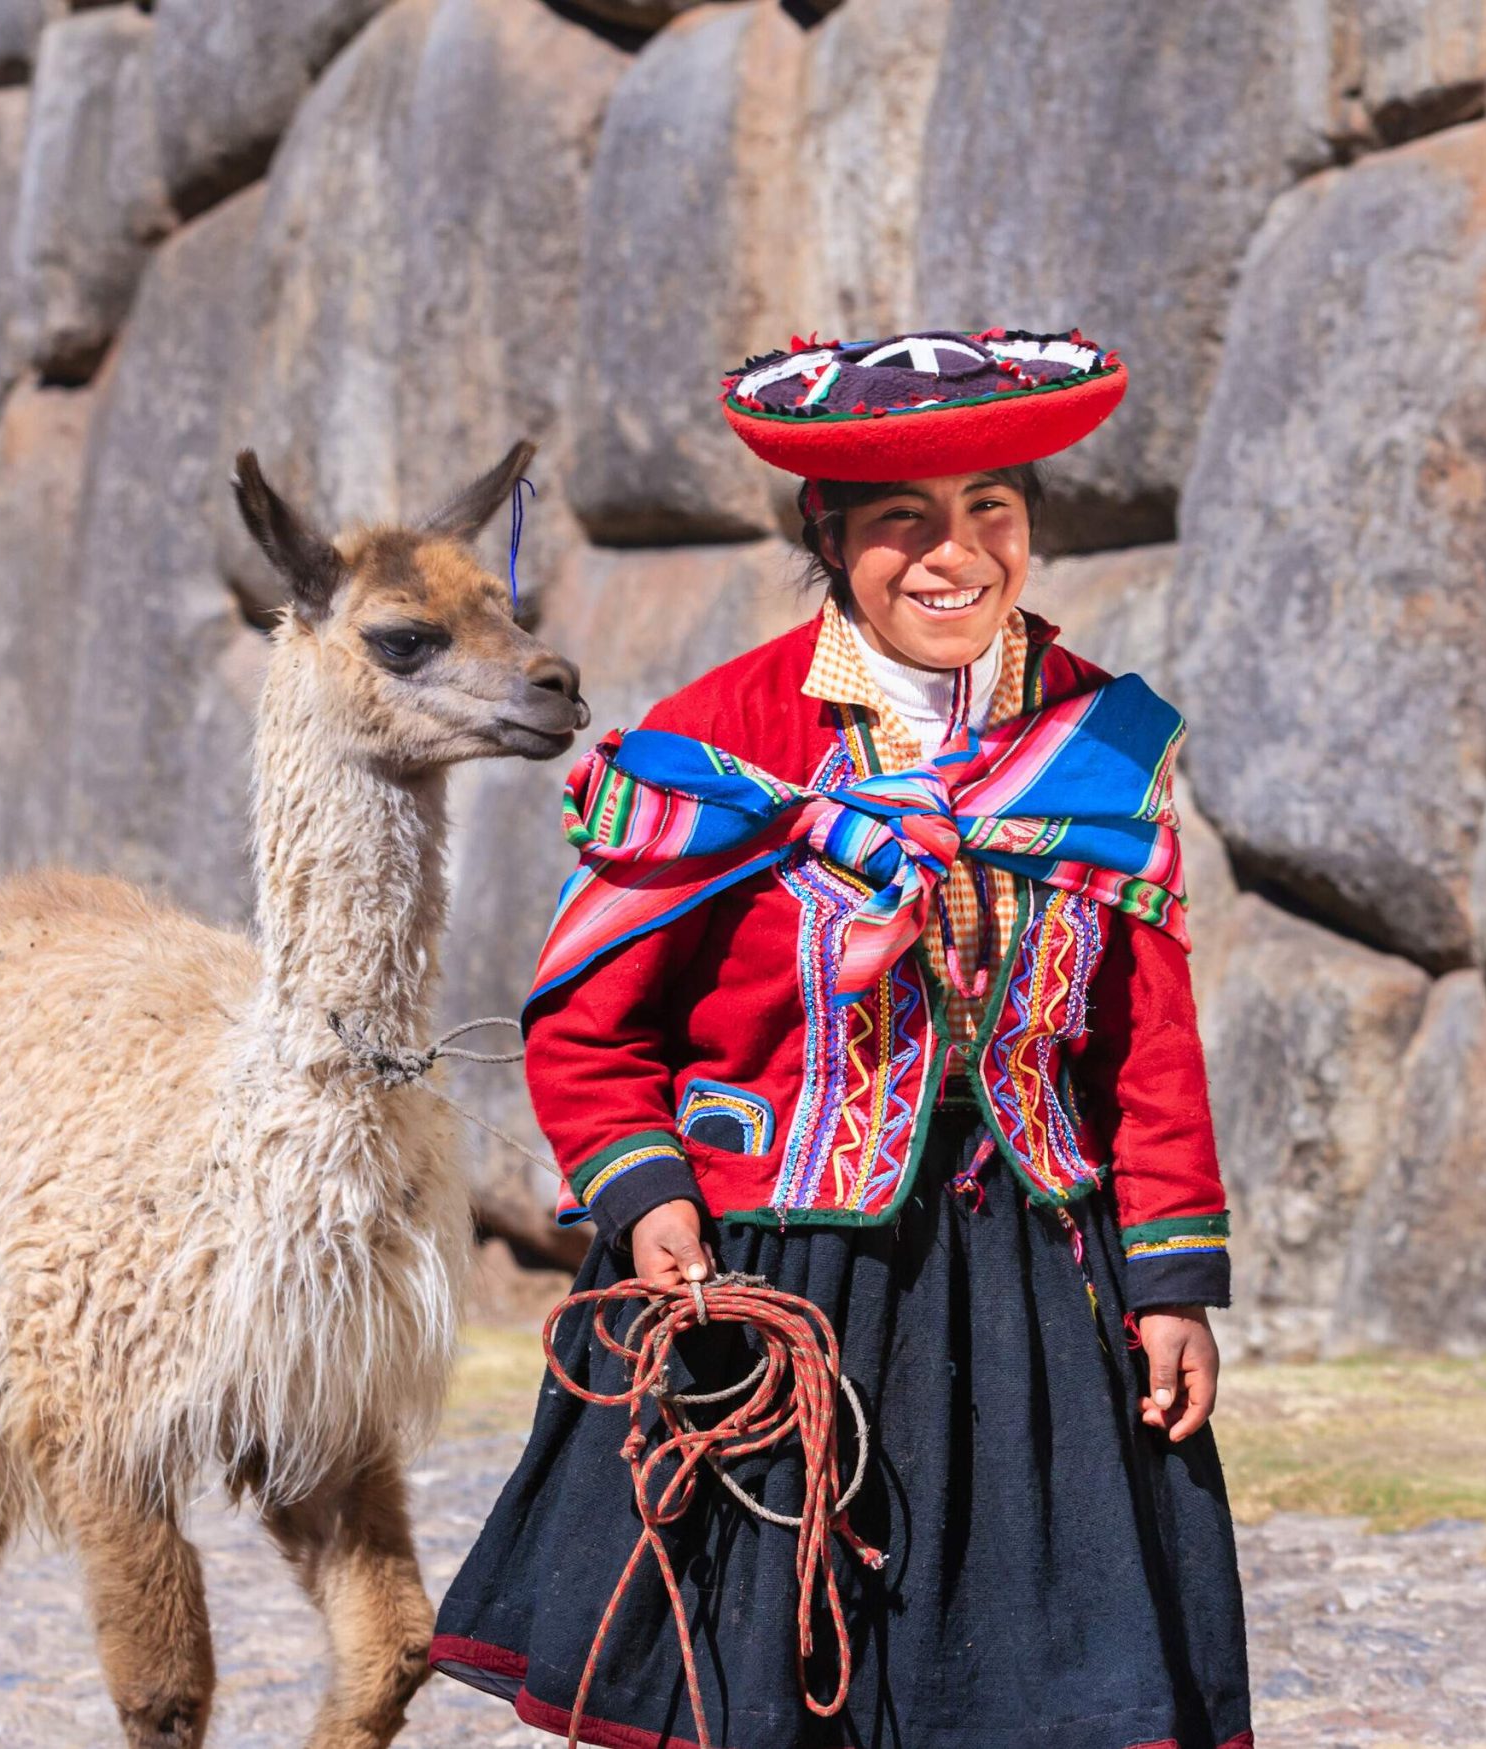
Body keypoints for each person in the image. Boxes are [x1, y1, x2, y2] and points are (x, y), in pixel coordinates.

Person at [432, 329, 1251, 1749]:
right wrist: (643, 1193)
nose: (956, 554)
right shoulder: (727, 740)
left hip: (1034, 1293)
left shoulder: (1100, 744)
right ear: (831, 536)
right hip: (784, 1274)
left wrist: (1170, 1278)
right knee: (777, 1670)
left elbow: (1145, 1043)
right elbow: (587, 1021)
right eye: (902, 522)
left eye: (992, 509)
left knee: (1036, 1678)